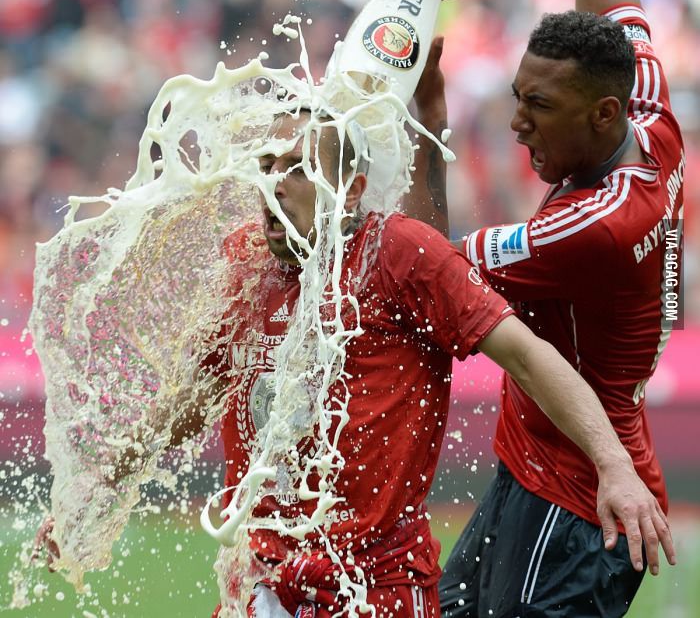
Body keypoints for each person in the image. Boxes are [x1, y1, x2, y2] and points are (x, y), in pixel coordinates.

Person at [34, 109, 672, 614]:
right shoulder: (245, 265)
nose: (275, 183)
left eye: (298, 168)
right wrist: (97, 488)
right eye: (266, 165)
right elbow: (194, 400)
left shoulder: (400, 257)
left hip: (374, 588)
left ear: (350, 189)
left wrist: (613, 463)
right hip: (261, 582)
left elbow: (529, 357)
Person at [396, 0, 683, 616]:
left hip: (575, 506)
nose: (518, 124)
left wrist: (429, 125)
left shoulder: (595, 227)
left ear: (603, 114)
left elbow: (425, 267)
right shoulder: (645, 106)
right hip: (539, 469)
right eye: (519, 96)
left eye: (541, 106)